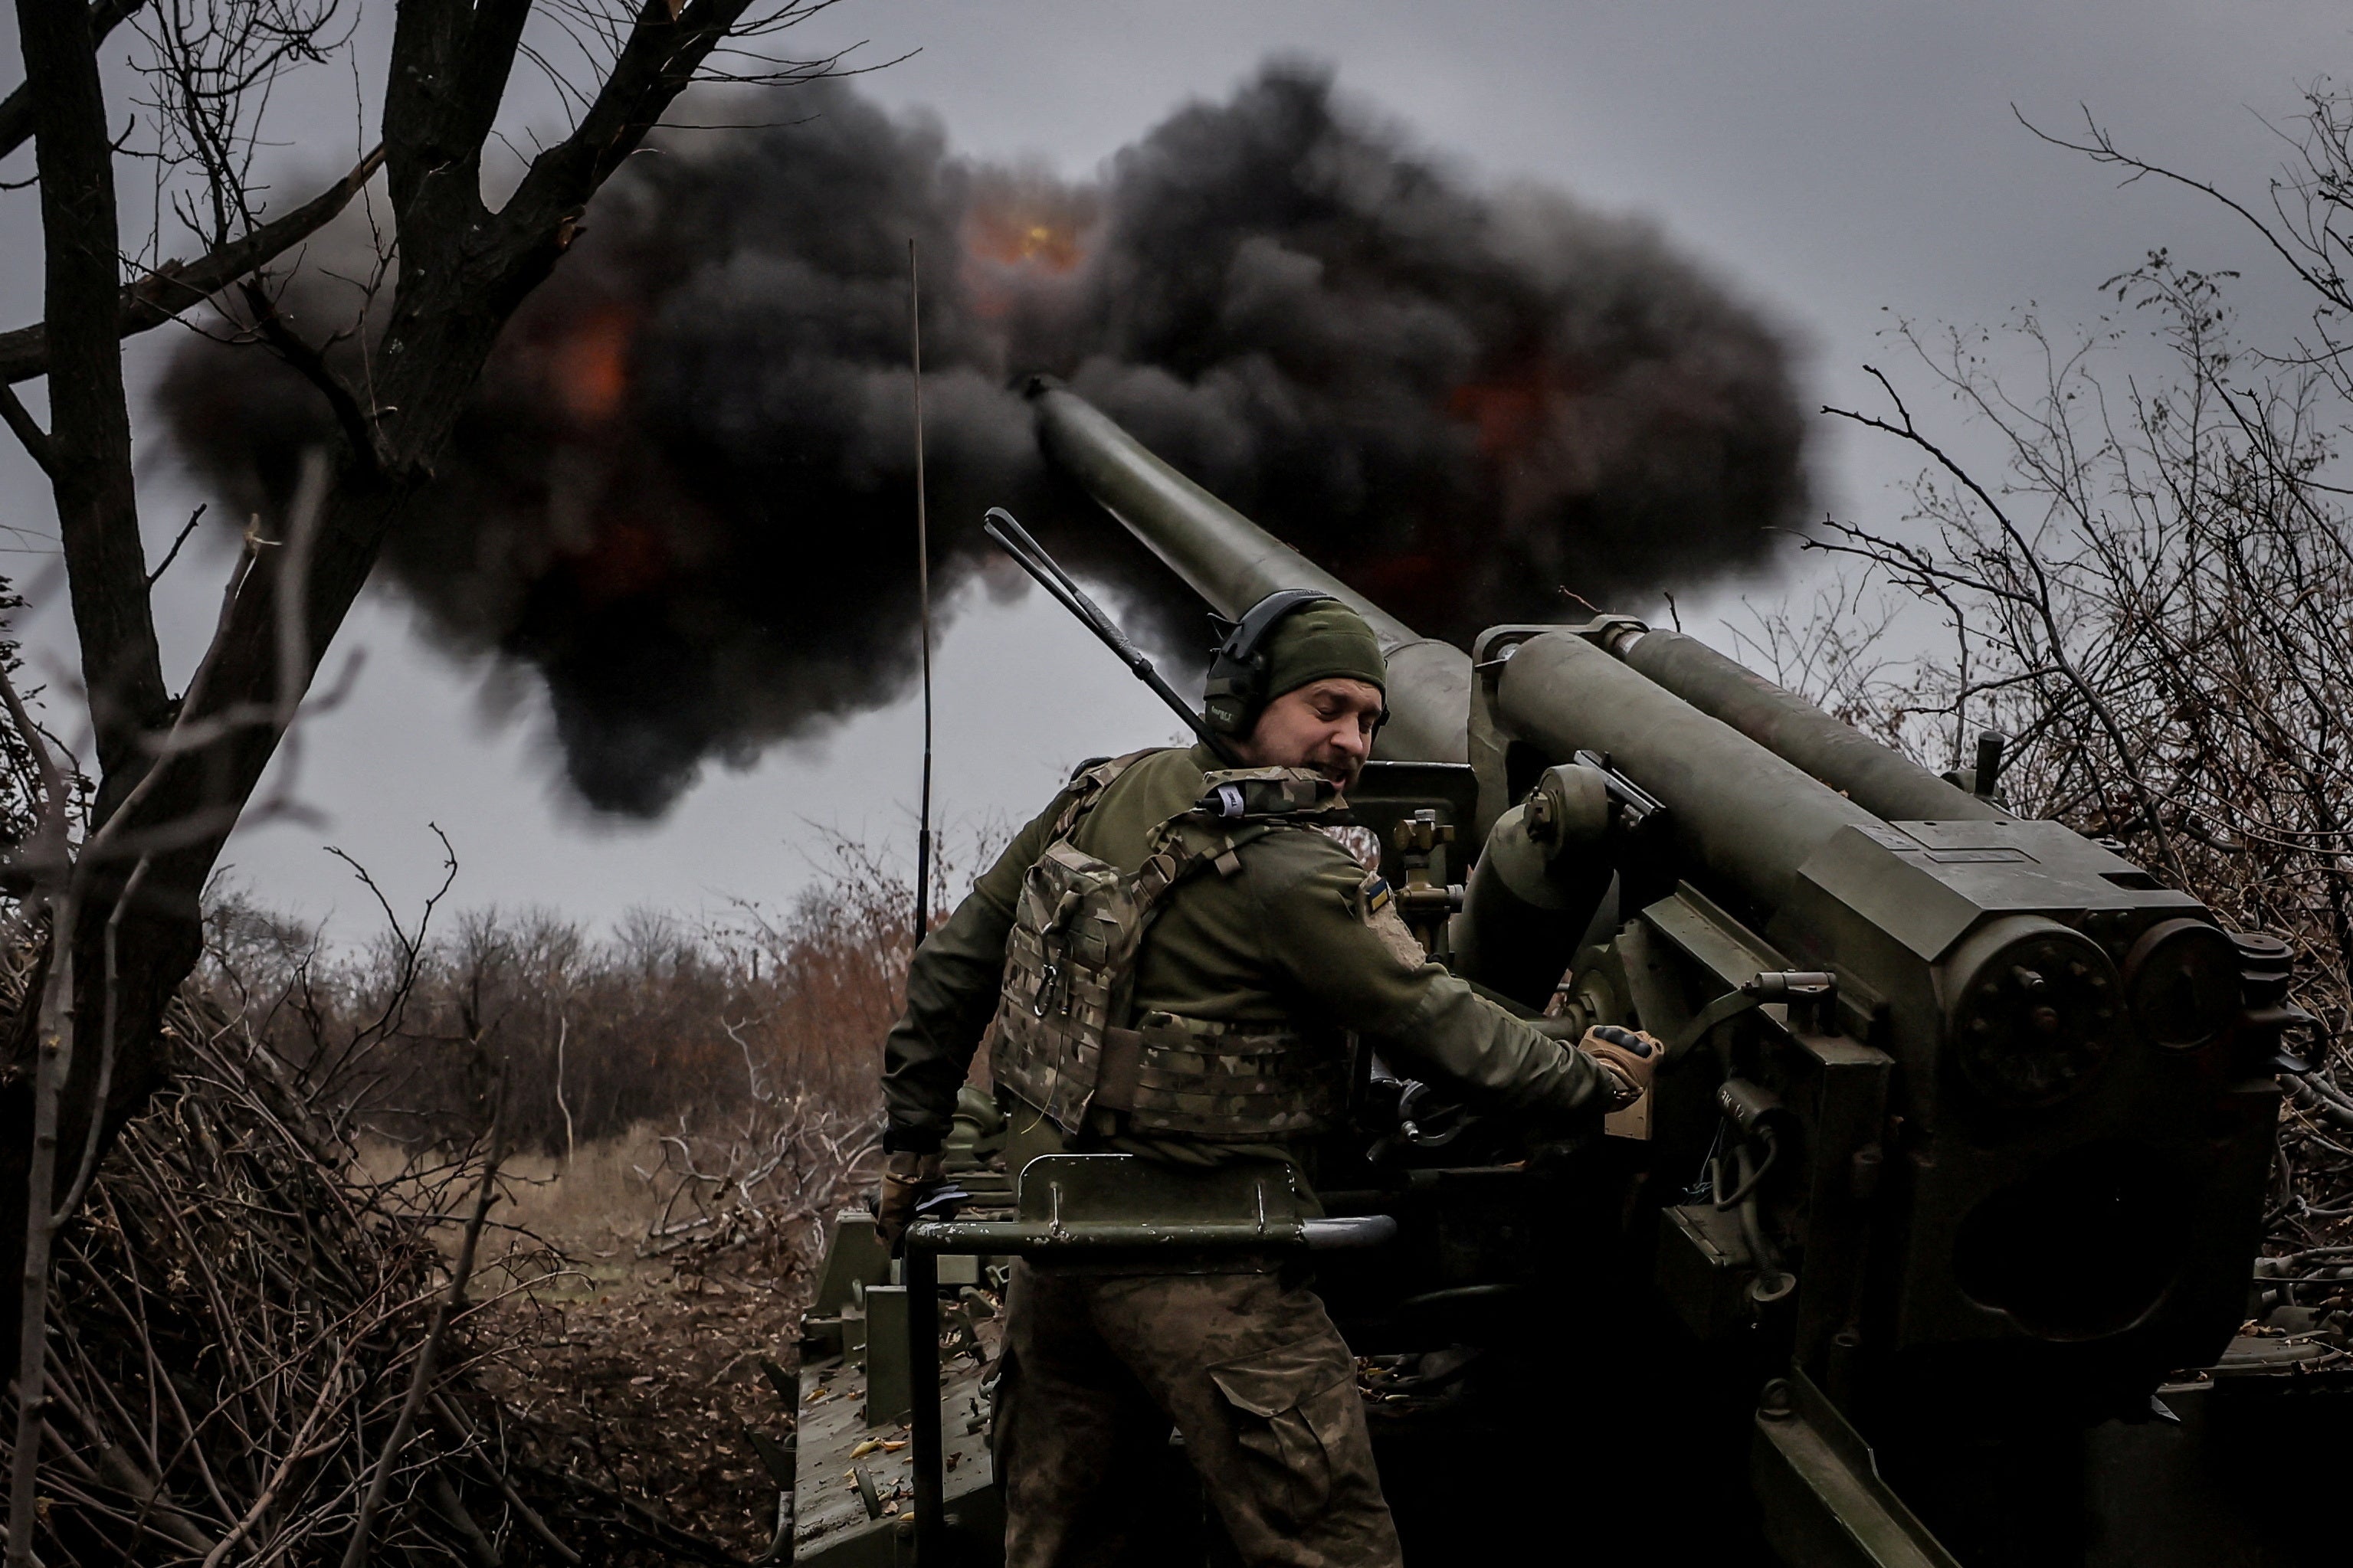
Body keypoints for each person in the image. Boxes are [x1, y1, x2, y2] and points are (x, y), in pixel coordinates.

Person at [874, 593, 1660, 1568]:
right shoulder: (1294, 872)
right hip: (1212, 1271)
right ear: (1242, 700)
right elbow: (1439, 1031)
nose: (1351, 742)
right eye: (1325, 708)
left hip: (1057, 1250)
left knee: (1060, 1545)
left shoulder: (1097, 793)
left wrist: (910, 1142)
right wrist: (1591, 1080)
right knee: (1331, 1548)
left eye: (1368, 720)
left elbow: (954, 965)